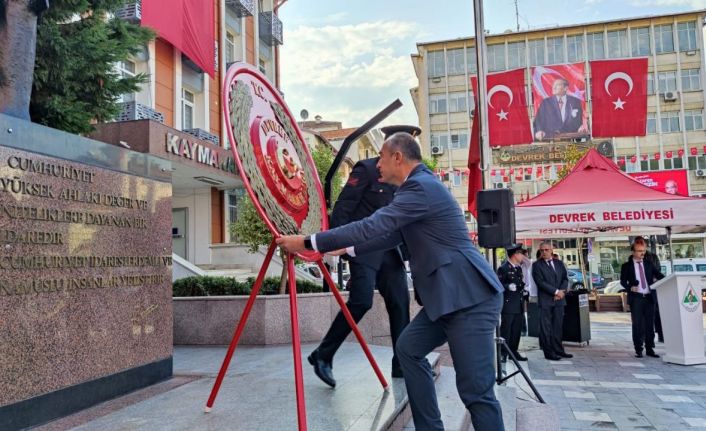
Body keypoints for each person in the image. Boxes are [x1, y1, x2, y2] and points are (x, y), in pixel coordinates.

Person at [276, 132, 504, 431]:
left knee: (476, 392)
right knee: (408, 349)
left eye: (381, 157)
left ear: (398, 157)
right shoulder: (416, 187)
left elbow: (374, 225)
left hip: (468, 297)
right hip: (445, 298)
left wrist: (308, 241)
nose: (377, 164)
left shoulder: (420, 187)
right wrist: (347, 249)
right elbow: (390, 235)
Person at [306, 128, 416, 388]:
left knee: (400, 303)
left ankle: (401, 365)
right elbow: (344, 206)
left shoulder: (404, 176)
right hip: (363, 247)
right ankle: (323, 354)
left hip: (390, 249)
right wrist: (338, 244)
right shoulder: (366, 169)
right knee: (361, 301)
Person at [620, 237, 665, 358]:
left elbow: (659, 275)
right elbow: (622, 281)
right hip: (636, 298)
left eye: (644, 251)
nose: (642, 253)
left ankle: (650, 349)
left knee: (650, 325)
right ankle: (638, 349)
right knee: (637, 325)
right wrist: (630, 287)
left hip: (649, 298)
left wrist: (665, 279)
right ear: (633, 251)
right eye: (639, 251)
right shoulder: (626, 266)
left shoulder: (649, 264)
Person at [532, 241, 573, 361]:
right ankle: (549, 352)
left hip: (559, 300)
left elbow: (565, 279)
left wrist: (561, 292)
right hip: (546, 300)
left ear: (551, 250)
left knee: (557, 326)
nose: (544, 252)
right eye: (542, 250)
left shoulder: (559, 263)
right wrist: (556, 292)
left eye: (546, 250)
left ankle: (559, 350)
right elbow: (540, 282)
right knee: (546, 328)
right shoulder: (537, 265)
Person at [497, 244, 529, 362]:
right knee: (506, 329)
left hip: (519, 303)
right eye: (521, 254)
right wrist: (507, 286)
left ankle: (513, 352)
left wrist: (524, 290)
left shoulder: (518, 268)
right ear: (515, 254)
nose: (522, 256)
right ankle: (503, 353)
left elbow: (520, 284)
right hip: (509, 304)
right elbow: (498, 284)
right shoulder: (503, 268)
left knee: (516, 330)